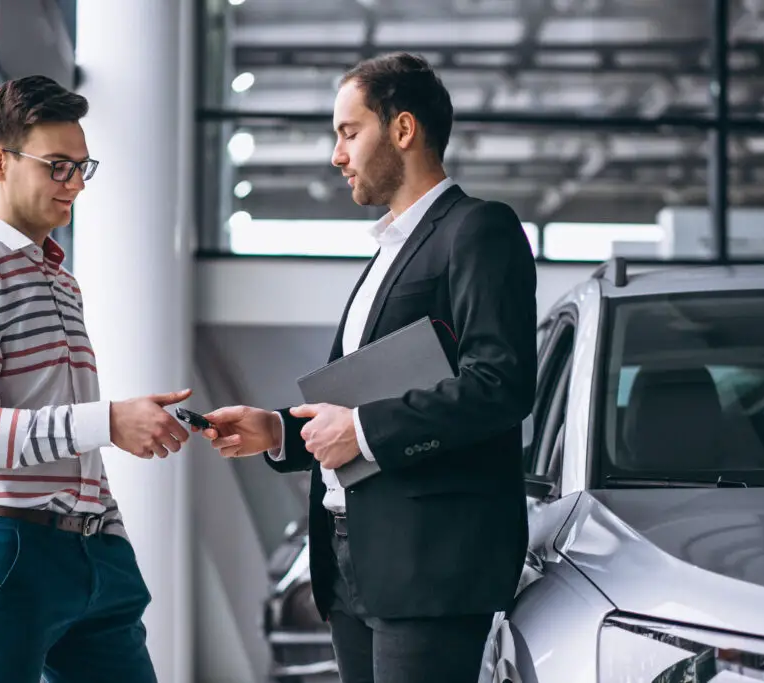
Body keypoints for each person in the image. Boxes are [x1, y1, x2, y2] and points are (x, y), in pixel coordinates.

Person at [199, 53, 537, 683]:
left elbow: (500, 383)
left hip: (428, 562)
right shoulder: (388, 252)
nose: (337, 154)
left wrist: (363, 432)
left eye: (349, 132)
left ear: (403, 130)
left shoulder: (477, 230)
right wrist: (277, 431)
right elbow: (362, 396)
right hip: (353, 555)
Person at [0, 75, 191, 683]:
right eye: (58, 166)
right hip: (3, 549)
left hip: (93, 551)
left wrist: (108, 529)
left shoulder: (60, 279)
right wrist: (111, 421)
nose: (75, 186)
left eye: (83, 167)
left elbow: (61, 425)